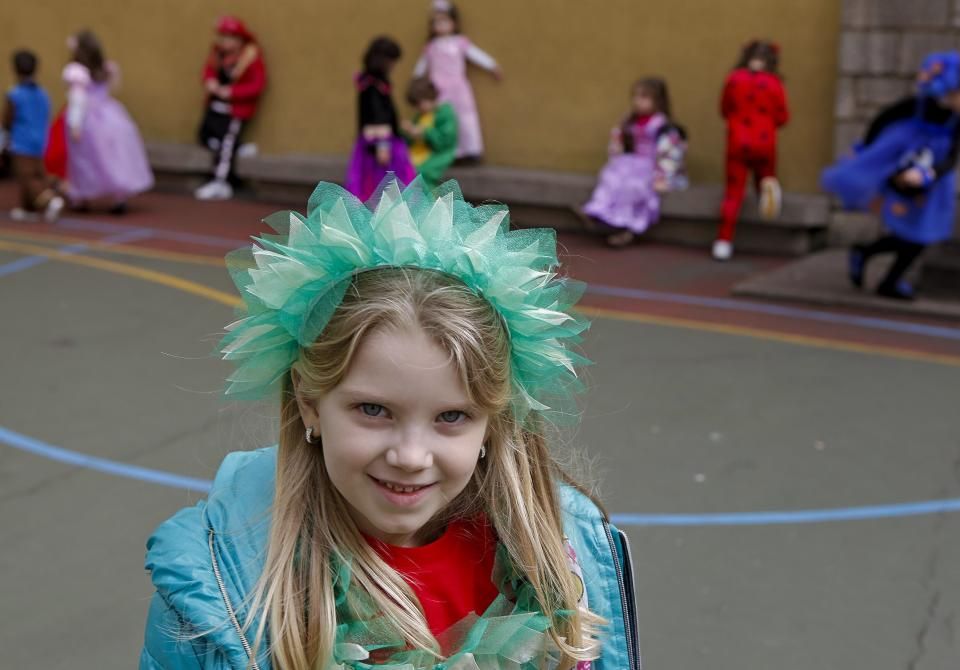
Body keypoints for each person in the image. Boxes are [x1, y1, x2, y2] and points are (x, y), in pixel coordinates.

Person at [141, 178, 640, 670]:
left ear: (494, 420)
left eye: (451, 416)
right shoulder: (218, 594)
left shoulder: (568, 556)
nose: (410, 456)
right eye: (373, 411)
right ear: (309, 399)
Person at [822, 51, 960, 300]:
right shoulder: (916, 106)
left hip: (932, 182)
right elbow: (881, 121)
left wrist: (930, 174)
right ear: (955, 88)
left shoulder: (959, 120)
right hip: (900, 173)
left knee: (923, 233)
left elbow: (953, 157)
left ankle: (870, 258)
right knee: (911, 232)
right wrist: (871, 155)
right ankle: (883, 273)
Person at [581, 76, 688, 247]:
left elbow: (669, 153)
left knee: (634, 188)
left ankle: (626, 228)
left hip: (650, 166)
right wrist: (618, 143)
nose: (637, 101)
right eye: (635, 96)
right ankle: (600, 212)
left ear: (658, 101)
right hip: (630, 163)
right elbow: (619, 143)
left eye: (644, 97)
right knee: (611, 179)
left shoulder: (662, 126)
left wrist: (662, 177)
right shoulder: (630, 121)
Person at [62, 30, 153, 213]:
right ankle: (119, 196)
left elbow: (77, 99)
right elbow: (111, 88)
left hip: (88, 120)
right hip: (110, 116)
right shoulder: (105, 68)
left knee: (84, 159)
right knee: (113, 157)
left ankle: (82, 195)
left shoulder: (77, 72)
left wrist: (75, 124)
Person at [714, 40, 789, 261]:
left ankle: (724, 240)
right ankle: (766, 201)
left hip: (737, 142)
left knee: (733, 192)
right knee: (766, 177)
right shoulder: (775, 84)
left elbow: (724, 108)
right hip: (765, 142)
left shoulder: (733, 79)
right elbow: (783, 116)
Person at [414, 0, 501, 163]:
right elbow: (421, 66)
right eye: (437, 22)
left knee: (465, 117)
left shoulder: (460, 42)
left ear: (454, 22)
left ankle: (470, 150)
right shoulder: (431, 46)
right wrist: (416, 80)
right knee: (442, 119)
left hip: (458, 88)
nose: (441, 25)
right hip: (437, 89)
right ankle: (447, 151)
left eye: (445, 21)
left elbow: (476, 55)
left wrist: (492, 65)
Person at [195, 16, 267, 201]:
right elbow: (208, 71)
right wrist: (210, 81)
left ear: (239, 39)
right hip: (214, 108)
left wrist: (232, 92)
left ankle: (220, 182)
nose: (224, 41)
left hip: (234, 112)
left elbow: (257, 86)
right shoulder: (217, 53)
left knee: (225, 148)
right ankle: (240, 147)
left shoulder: (251, 57)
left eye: (229, 37)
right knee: (206, 137)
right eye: (222, 36)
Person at [345, 37, 415, 202]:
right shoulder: (373, 86)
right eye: (392, 62)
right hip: (379, 144)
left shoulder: (369, 83)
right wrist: (383, 144)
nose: (393, 67)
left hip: (375, 143)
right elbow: (377, 116)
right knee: (382, 186)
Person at [3, 49, 64, 221]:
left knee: (27, 177)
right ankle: (27, 208)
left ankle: (50, 201)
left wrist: (6, 136)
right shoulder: (42, 94)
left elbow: (7, 120)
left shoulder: (14, 94)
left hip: (22, 142)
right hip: (40, 141)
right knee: (34, 174)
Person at [401, 76, 458, 184]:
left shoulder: (444, 112)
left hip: (437, 154)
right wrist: (408, 132)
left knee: (422, 172)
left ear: (429, 96)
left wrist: (425, 133)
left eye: (420, 103)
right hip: (417, 153)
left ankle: (426, 199)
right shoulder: (420, 116)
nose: (418, 108)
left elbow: (446, 140)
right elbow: (410, 141)